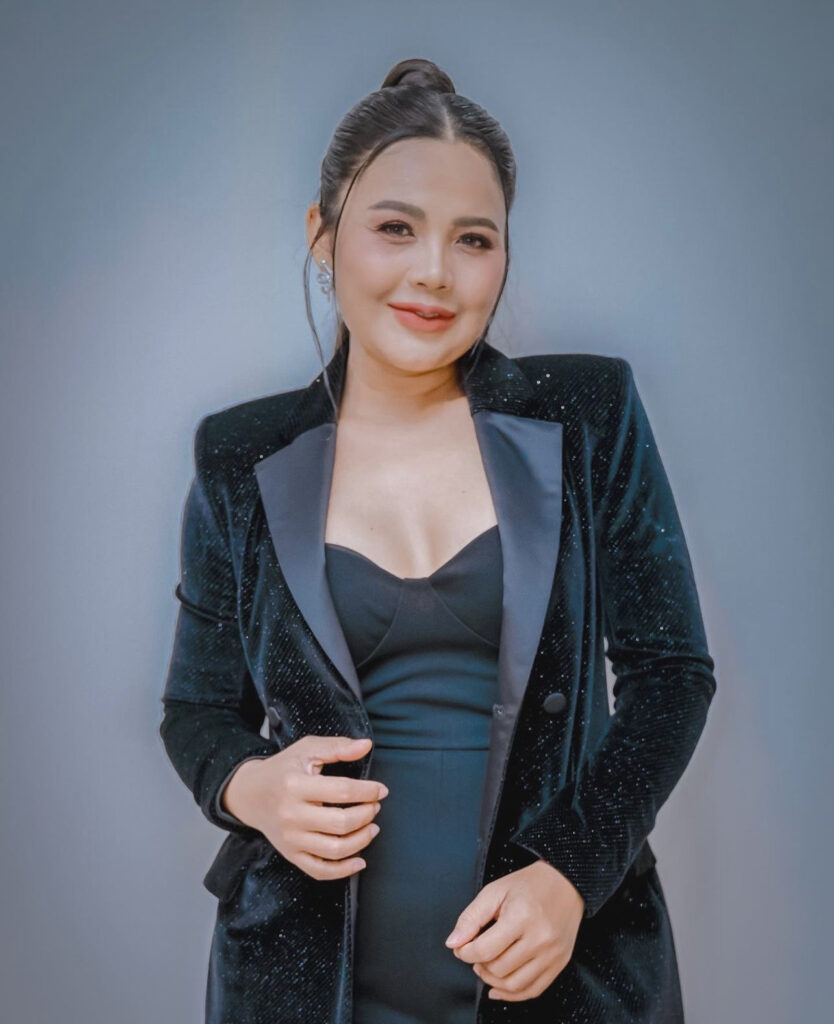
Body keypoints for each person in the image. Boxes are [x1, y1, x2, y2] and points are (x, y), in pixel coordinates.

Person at [159, 57, 717, 1024]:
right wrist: (251, 787)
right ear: (322, 234)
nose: (434, 272)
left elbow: (671, 674)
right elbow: (195, 709)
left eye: (474, 239)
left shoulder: (588, 414)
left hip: (563, 972)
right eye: (395, 228)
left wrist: (571, 876)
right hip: (298, 985)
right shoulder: (239, 456)